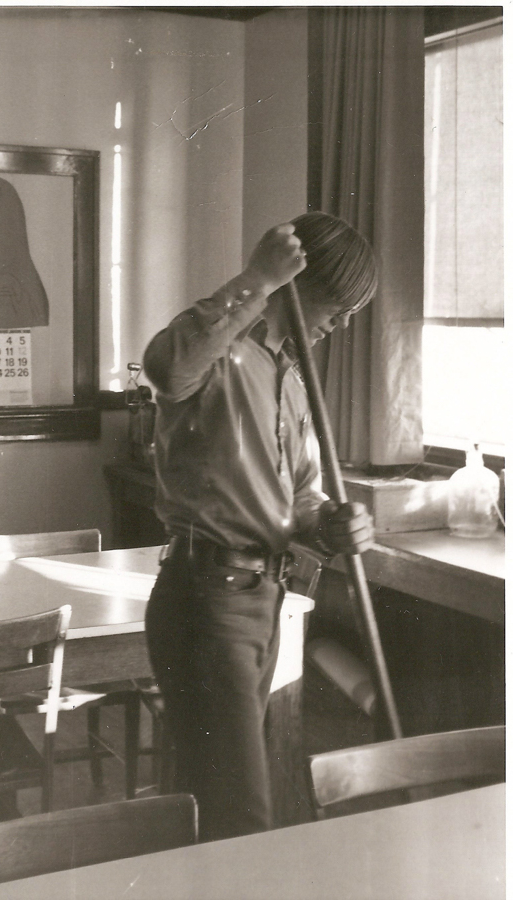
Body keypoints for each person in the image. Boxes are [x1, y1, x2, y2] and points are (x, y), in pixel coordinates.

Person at [142, 211, 376, 843]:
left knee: (217, 805)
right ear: (299, 283)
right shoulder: (219, 356)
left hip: (263, 601)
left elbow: (300, 503)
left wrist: (335, 525)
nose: (345, 321)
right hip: (207, 599)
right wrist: (255, 279)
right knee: (242, 818)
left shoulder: (291, 383)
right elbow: (166, 367)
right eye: (342, 302)